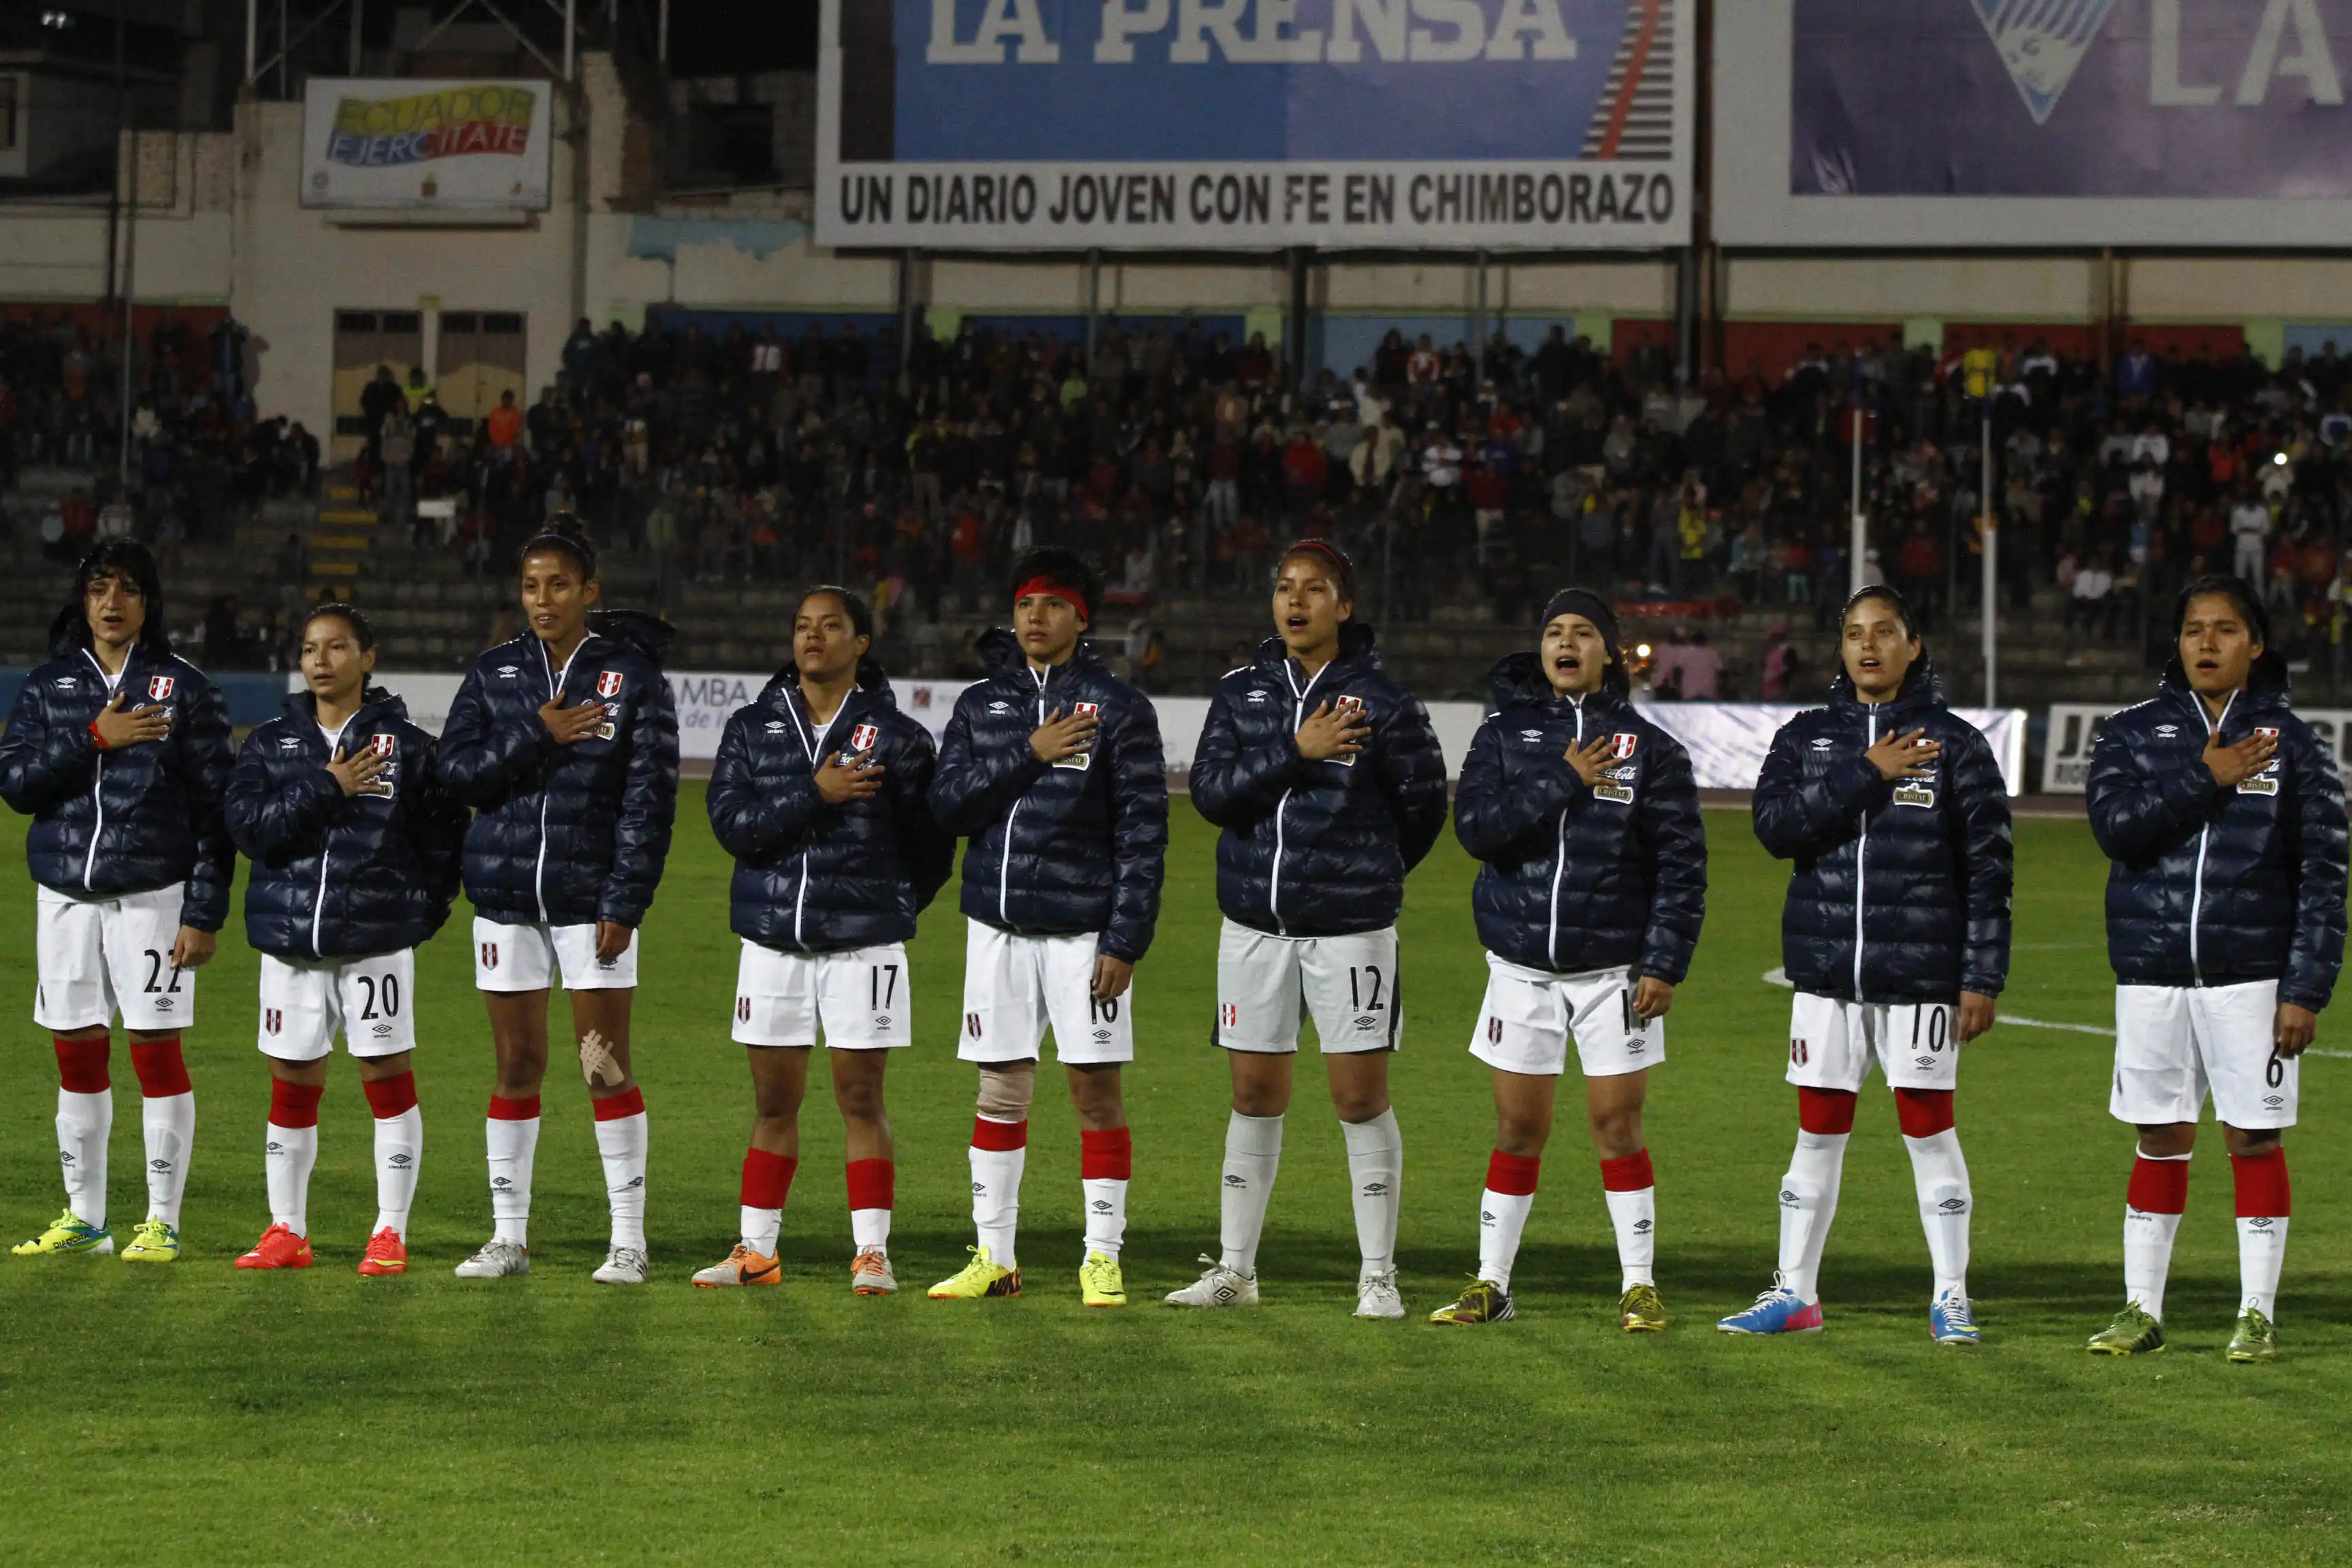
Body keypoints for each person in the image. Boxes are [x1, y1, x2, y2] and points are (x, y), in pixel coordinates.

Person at [1722, 585, 2012, 1344]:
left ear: (1915, 645)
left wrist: (1980, 977)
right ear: (1841, 648)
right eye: (1854, 633)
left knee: (1928, 1130)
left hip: (1919, 973)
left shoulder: (1957, 745)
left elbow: (1989, 871)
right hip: (1825, 974)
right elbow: (1775, 828)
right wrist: (1866, 770)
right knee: (1816, 1132)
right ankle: (1795, 1294)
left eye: (1885, 632)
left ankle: (1951, 1296)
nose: (1869, 646)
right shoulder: (1808, 737)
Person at [1169, 542, 1447, 1319]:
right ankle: (1235, 1273)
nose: (1296, 602)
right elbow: (1213, 795)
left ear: (1344, 606)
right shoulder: (1240, 694)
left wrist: (1367, 876)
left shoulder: (1385, 702)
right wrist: (1297, 750)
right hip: (1253, 925)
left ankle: (1378, 1275)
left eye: (1315, 590)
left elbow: (1423, 809)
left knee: (1358, 1097)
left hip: (1350, 930)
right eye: (1285, 588)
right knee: (1254, 1093)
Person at [2082, 576, 2347, 1361]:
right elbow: (2115, 829)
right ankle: (2140, 1310)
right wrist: (2207, 775)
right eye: (2194, 628)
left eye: (2226, 629)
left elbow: (2324, 875)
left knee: (2253, 1137)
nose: (2206, 643)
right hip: (2152, 970)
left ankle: (2256, 1315)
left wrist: (2304, 988)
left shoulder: (2296, 746)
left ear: (2255, 645)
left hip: (2251, 974)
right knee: (2158, 1133)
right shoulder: (2132, 733)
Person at [1429, 589, 1705, 1328]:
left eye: (1583, 633)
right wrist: (1560, 778)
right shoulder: (1503, 736)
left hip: (1614, 972)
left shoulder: (1651, 750)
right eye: (1554, 631)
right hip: (1520, 967)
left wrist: (1664, 963)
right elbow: (1478, 830)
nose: (1566, 643)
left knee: (1617, 1124)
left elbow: (1682, 866)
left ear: (1608, 652)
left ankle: (1639, 1284)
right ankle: (1492, 1284)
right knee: (1518, 1128)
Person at [436, 520, 681, 1283]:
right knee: (516, 1064)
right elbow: (456, 775)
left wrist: (626, 900)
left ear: (590, 592)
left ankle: (628, 1241)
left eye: (559, 585)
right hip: (506, 900)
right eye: (531, 586)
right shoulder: (494, 675)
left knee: (601, 1065)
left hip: (590, 902)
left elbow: (650, 800)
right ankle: (509, 1238)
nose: (542, 599)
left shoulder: (632, 680)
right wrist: (534, 736)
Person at [925, 549, 1168, 1305]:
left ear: (1081, 619)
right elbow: (948, 807)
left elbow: (1143, 831)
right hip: (995, 930)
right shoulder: (980, 707)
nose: (1035, 617)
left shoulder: (1119, 708)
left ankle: (1102, 1256)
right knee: (999, 1094)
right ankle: (995, 1257)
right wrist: (1029, 754)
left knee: (1095, 1094)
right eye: (1025, 603)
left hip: (1081, 932)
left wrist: (1125, 937)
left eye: (1053, 604)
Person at [696, 588, 953, 1292]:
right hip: (772, 940)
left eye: (831, 626)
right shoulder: (754, 727)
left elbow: (931, 848)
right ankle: (756, 1250)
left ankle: (872, 1252)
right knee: (773, 1103)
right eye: (803, 626)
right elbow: (732, 827)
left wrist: (893, 906)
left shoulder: (898, 737)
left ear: (860, 643)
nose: (814, 637)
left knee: (861, 1100)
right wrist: (816, 793)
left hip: (862, 945)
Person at [1, 540, 233, 1262]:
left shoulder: (182, 688)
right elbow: (16, 785)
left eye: (127, 589)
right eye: (100, 588)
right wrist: (92, 738)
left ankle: (161, 1220)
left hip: (153, 898)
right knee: (76, 1052)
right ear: (82, 600)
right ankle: (86, 1218)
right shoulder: (48, 686)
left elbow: (215, 809)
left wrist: (202, 910)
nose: (111, 602)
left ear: (148, 602)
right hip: (64, 896)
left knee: (154, 1051)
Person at [221, 604, 467, 1274]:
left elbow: (445, 840)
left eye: (336, 647)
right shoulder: (270, 744)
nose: (321, 660)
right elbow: (250, 829)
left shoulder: (409, 749)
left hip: (374, 945)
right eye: (309, 649)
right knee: (291, 1084)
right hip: (290, 943)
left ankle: (389, 1232)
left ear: (369, 657)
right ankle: (286, 1231)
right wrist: (326, 785)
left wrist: (418, 917)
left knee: (386, 1080)